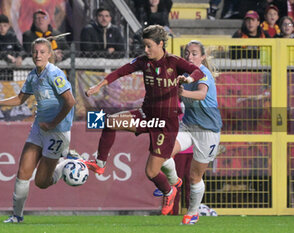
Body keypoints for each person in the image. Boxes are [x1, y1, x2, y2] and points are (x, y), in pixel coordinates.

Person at [84, 25, 204, 216]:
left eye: (149, 46)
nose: (146, 50)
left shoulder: (173, 61)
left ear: (160, 44)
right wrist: (99, 85)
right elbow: (120, 72)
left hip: (166, 123)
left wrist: (188, 80)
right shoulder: (143, 62)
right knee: (108, 122)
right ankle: (100, 163)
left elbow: (198, 71)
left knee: (151, 172)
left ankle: (169, 190)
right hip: (146, 115)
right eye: (144, 46)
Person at [0, 38, 75, 223]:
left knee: (41, 182)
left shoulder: (55, 74)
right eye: (35, 52)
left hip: (57, 131)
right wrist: (0, 102)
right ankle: (16, 216)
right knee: (23, 172)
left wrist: (53, 124)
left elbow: (70, 102)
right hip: (39, 128)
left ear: (49, 54)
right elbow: (21, 99)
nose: (38, 55)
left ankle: (65, 164)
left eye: (42, 52)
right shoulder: (33, 75)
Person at [168, 40, 222, 224]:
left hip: (208, 130)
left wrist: (182, 93)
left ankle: (192, 213)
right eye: (187, 53)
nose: (189, 57)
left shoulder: (204, 74)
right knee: (164, 152)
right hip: (189, 126)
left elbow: (201, 94)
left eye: (194, 53)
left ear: (203, 57)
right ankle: (174, 184)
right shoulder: (184, 73)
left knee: (194, 176)